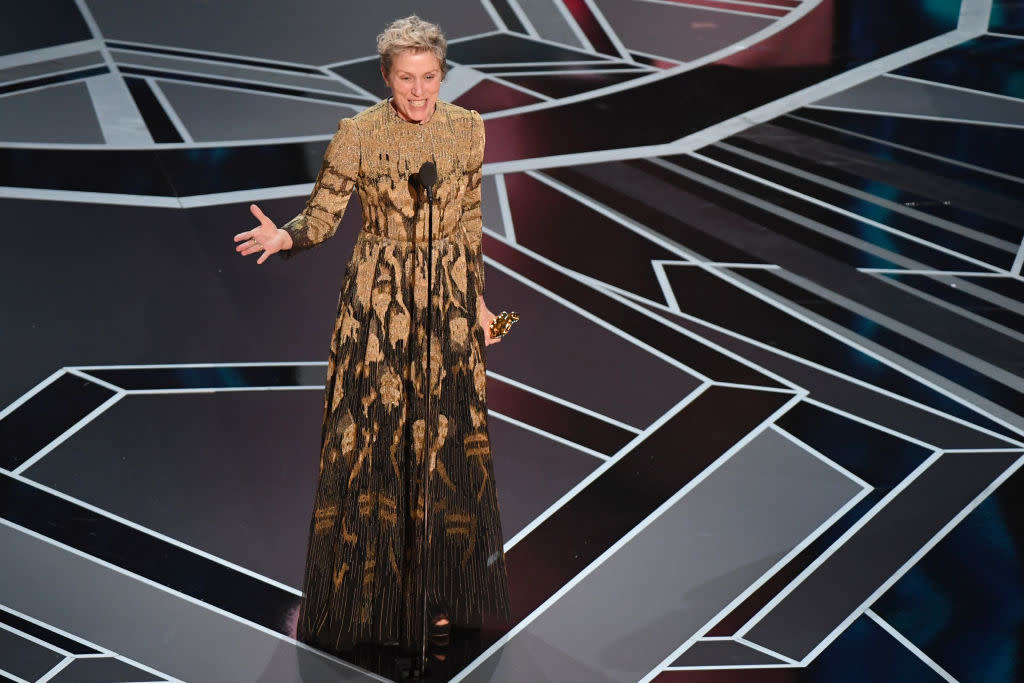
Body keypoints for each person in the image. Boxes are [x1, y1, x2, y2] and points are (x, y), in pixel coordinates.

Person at [233, 15, 512, 655]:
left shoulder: (469, 130)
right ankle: (374, 593)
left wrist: (480, 309)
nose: (419, 92)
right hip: (378, 311)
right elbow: (324, 214)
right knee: (379, 449)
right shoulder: (358, 135)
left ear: (444, 75)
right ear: (386, 78)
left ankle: (434, 593)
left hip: (447, 306)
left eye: (430, 77)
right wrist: (286, 236)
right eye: (406, 79)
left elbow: (470, 225)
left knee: (441, 449)